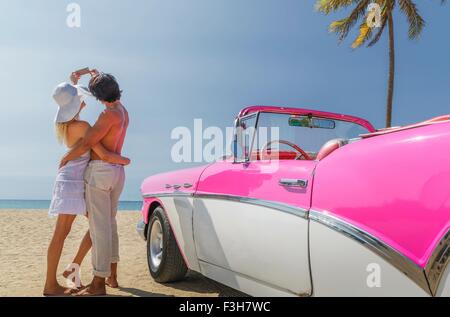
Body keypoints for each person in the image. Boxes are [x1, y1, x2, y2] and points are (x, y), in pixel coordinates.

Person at [44, 70, 130, 296]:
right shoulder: (82, 127)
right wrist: (122, 160)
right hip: (72, 181)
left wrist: (85, 73)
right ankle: (51, 285)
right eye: (80, 99)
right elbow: (102, 153)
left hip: (77, 180)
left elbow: (72, 85)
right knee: (65, 232)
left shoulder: (70, 125)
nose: (83, 99)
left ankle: (73, 268)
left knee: (98, 227)